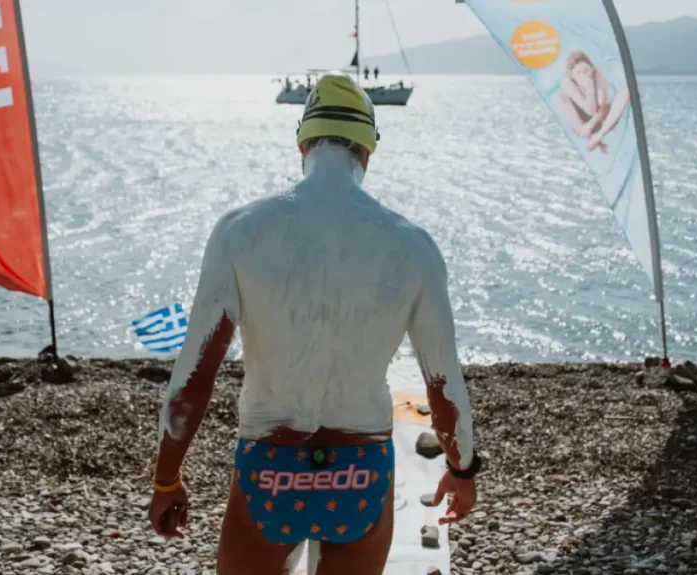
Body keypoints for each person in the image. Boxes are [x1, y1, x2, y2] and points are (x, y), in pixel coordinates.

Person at [147, 71, 481, 575]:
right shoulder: (414, 247)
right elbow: (445, 388)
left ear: (302, 142)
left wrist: (166, 480)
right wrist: (462, 470)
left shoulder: (240, 232)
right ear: (368, 149)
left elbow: (193, 378)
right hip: (361, 471)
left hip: (269, 466)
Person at [552, 50, 631, 155]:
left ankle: (598, 136)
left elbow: (602, 108)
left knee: (626, 93)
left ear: (592, 69)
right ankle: (595, 142)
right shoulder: (568, 84)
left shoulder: (598, 77)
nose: (583, 76)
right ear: (572, 75)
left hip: (600, 120)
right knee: (558, 98)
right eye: (578, 73)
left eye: (586, 71)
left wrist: (592, 124)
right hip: (581, 126)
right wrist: (586, 128)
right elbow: (589, 110)